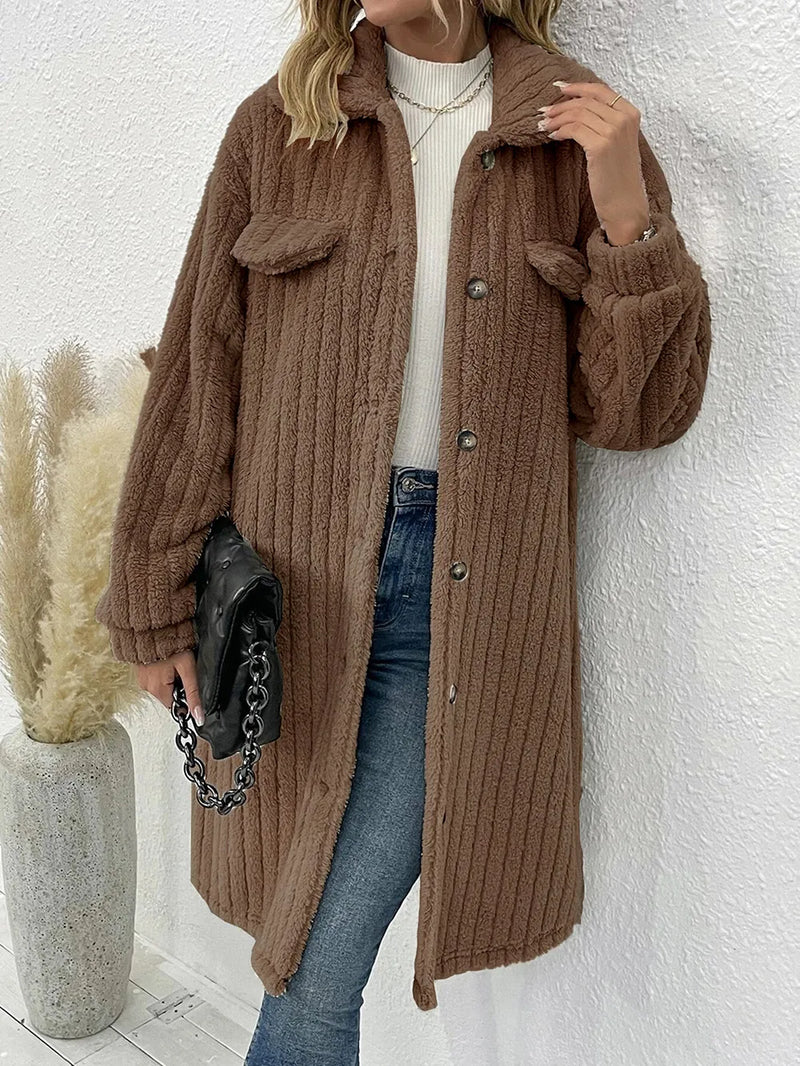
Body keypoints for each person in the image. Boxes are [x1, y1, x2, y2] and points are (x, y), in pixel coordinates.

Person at [96, 0, 712, 1062]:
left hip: (461, 609)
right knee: (304, 949)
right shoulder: (278, 126)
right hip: (295, 597)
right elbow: (199, 373)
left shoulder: (572, 132)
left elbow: (639, 414)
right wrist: (153, 603)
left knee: (312, 964)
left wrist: (626, 217)